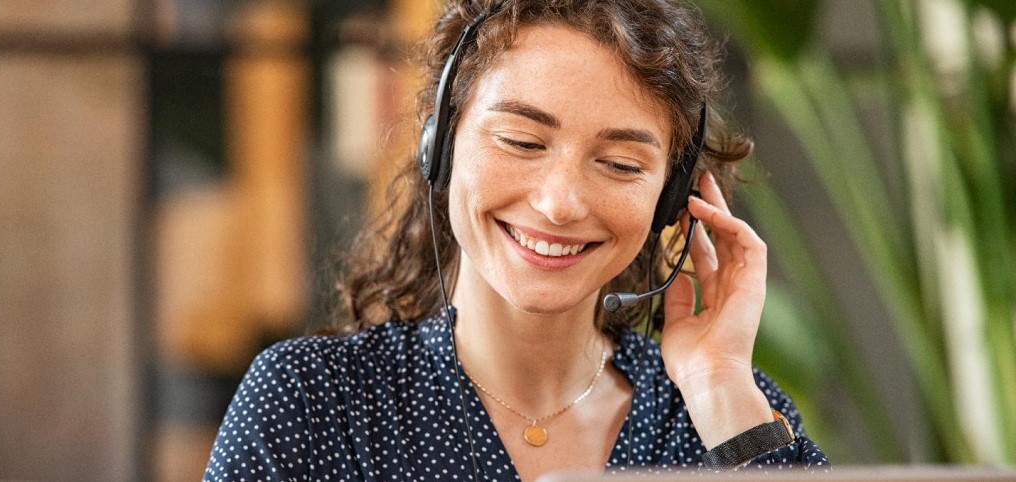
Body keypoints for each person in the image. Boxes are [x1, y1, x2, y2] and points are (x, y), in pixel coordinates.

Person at [204, 0, 829, 480]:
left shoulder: (725, 416)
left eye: (620, 164)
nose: (559, 203)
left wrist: (720, 385)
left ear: (670, 198)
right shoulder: (312, 404)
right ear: (441, 145)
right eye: (523, 142)